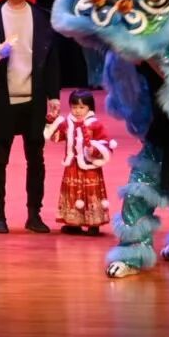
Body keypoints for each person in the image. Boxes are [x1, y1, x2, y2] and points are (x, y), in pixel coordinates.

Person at [0, 0, 61, 235]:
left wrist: (54, 95)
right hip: (2, 97)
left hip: (34, 98)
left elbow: (51, 61)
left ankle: (34, 214)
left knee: (36, 159)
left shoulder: (42, 17)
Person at [44, 91, 115, 235]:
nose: (77, 111)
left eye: (82, 107)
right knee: (72, 191)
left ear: (90, 107)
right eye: (74, 107)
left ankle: (93, 223)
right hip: (72, 166)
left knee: (90, 192)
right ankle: (74, 223)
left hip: (90, 167)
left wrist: (94, 149)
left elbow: (105, 143)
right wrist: (51, 122)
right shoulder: (67, 123)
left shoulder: (95, 124)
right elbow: (56, 137)